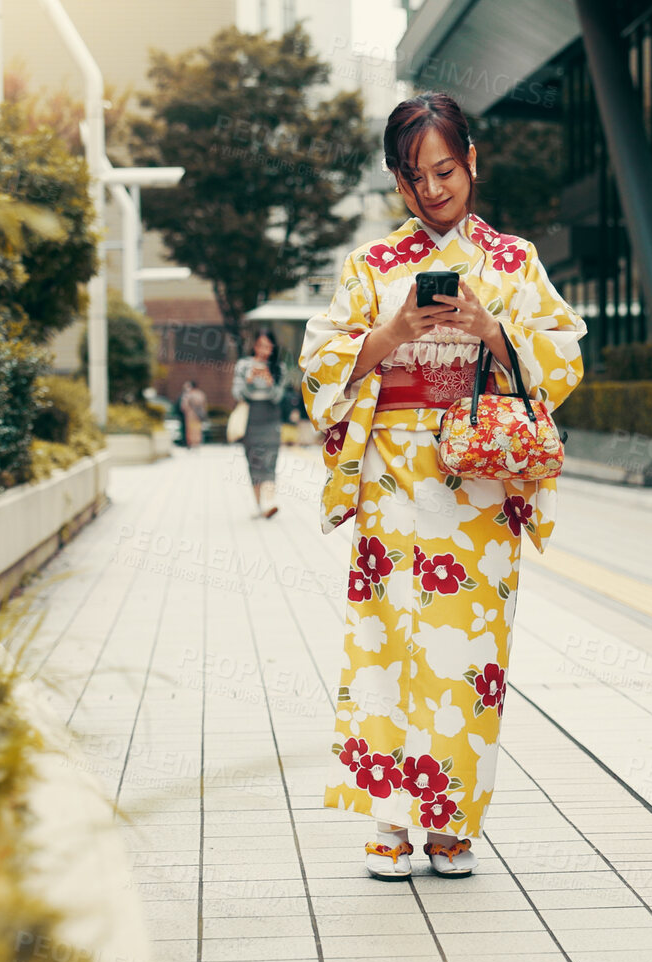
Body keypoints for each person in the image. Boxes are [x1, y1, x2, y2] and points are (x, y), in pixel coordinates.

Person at [299, 91, 587, 880]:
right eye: (415, 176)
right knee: (386, 649)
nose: (433, 191)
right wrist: (390, 333)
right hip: (393, 481)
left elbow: (564, 360)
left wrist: (494, 331)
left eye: (446, 170)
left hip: (479, 488)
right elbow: (315, 367)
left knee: (468, 659)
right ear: (397, 182)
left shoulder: (512, 259)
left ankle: (451, 824)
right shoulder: (372, 266)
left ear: (471, 163)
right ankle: (391, 821)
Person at [232, 329, 285, 518]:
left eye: (268, 346)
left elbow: (279, 397)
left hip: (271, 418)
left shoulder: (278, 367)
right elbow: (237, 394)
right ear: (254, 346)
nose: (264, 350)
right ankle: (259, 505)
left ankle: (270, 503)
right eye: (261, 345)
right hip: (250, 419)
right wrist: (249, 380)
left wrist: (270, 382)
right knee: (254, 461)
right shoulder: (243, 365)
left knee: (270, 460)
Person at [179, 380, 206, 448]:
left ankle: (191, 442)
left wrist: (185, 411)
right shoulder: (200, 394)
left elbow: (184, 406)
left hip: (190, 414)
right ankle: (197, 442)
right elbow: (204, 405)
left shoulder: (188, 394)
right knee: (197, 428)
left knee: (190, 429)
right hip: (198, 414)